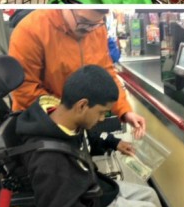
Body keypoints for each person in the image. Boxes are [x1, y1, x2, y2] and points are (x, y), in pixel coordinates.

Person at [16, 65, 176, 207]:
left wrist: (113, 142)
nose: (102, 119)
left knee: (150, 194)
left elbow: (83, 137)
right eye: (101, 112)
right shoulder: (51, 162)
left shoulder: (58, 115)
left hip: (91, 188)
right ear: (82, 105)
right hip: (84, 206)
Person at [8, 9, 146, 139]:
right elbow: (24, 88)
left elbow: (105, 74)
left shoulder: (97, 29)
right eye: (83, 20)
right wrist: (66, 117)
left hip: (75, 123)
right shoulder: (30, 30)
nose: (88, 29)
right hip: (39, 127)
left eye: (95, 23)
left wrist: (125, 111)